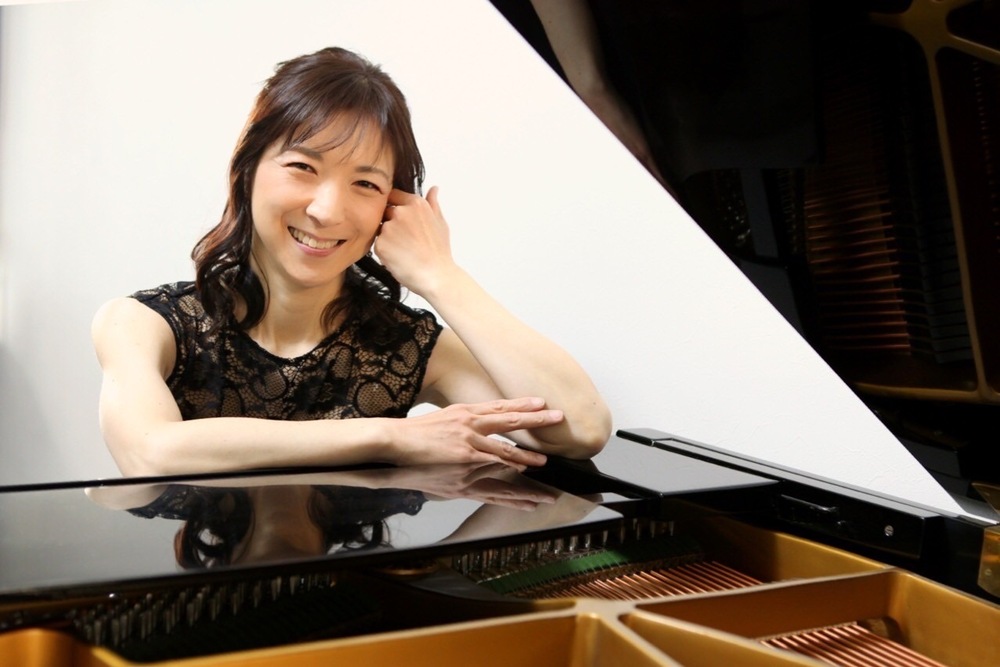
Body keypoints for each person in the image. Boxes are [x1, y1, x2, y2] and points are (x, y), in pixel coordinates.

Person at [91, 46, 611, 478]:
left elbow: (582, 429)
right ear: (246, 172)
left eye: (365, 183)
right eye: (303, 166)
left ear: (391, 205)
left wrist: (441, 276)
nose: (327, 211)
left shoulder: (404, 346)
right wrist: (391, 436)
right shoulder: (141, 324)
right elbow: (150, 452)